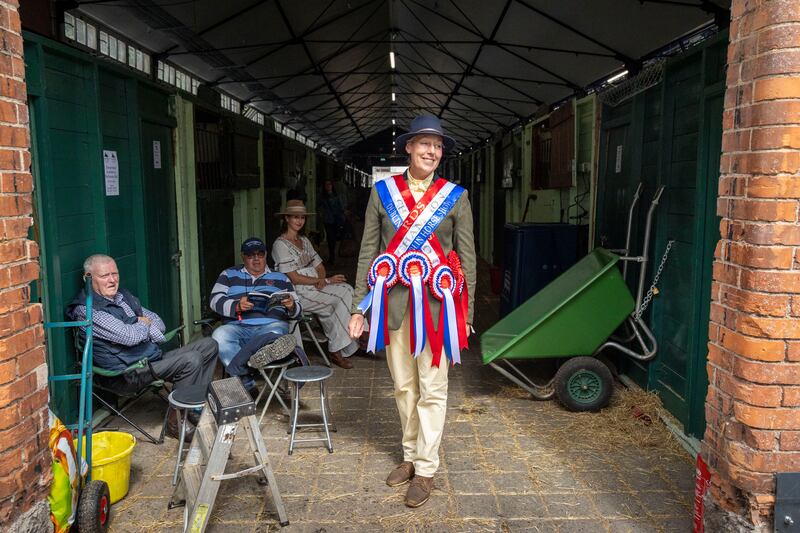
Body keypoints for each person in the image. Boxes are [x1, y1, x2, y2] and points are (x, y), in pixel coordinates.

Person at [348, 115, 476, 508]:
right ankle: (408, 454)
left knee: (433, 390)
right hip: (395, 306)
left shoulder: (456, 195)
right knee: (404, 387)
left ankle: (425, 468)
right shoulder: (382, 193)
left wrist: (466, 314)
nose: (431, 152)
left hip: (439, 309)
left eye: (437, 146)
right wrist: (359, 306)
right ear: (408, 147)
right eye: (424, 144)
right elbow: (368, 251)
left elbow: (466, 255)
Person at [67, 254, 218, 441]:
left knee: (209, 345)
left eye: (115, 274)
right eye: (105, 275)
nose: (112, 280)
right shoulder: (87, 310)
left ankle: (192, 408)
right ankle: (174, 423)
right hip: (126, 373)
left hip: (148, 359)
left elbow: (159, 324)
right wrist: (142, 325)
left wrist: (138, 326)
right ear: (88, 278)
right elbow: (129, 337)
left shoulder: (123, 297)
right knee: (191, 360)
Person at [271, 200, 364, 369]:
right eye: (295, 217)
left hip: (315, 287)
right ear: (286, 218)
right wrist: (323, 281)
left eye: (302, 218)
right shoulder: (280, 244)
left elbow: (319, 266)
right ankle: (339, 347)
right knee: (338, 300)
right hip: (298, 293)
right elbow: (293, 277)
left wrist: (322, 279)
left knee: (347, 289)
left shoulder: (304, 240)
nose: (299, 221)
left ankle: (354, 339)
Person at [210, 237, 302, 390]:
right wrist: (236, 306)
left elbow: (298, 310)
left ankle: (243, 372)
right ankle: (246, 381)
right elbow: (214, 300)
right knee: (219, 335)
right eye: (251, 255)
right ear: (243, 256)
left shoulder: (281, 278)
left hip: (271, 326)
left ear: (266, 255)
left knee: (275, 335)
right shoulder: (228, 275)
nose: (257, 259)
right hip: (237, 327)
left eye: (260, 254)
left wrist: (292, 306)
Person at [318, 179, 346, 266]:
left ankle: (333, 255)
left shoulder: (336, 196)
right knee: (330, 238)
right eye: (326, 184)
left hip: (336, 219)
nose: (328, 186)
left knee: (334, 238)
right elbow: (320, 207)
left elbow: (340, 207)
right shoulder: (323, 197)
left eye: (329, 184)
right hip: (328, 220)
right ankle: (332, 256)